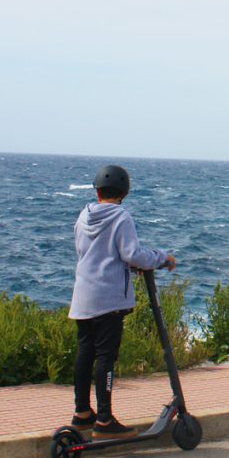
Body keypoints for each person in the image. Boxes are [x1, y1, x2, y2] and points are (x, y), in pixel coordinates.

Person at [68, 164, 175, 439]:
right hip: (108, 299)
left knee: (85, 353)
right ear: (124, 191)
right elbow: (132, 254)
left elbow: (89, 252)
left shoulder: (83, 215)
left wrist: (124, 266)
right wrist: (162, 258)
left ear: (97, 190)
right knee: (105, 356)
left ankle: (82, 413)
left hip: (83, 295)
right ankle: (104, 420)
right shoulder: (120, 217)